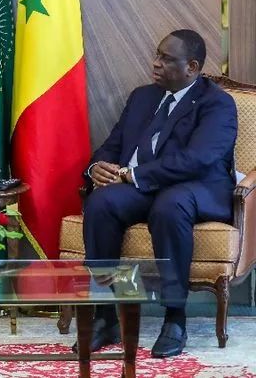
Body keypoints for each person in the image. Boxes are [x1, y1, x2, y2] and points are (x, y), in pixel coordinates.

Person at [77, 29, 237, 358]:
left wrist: (132, 174)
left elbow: (197, 160)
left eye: (166, 59)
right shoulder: (142, 97)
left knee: (170, 205)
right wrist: (96, 169)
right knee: (101, 202)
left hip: (196, 188)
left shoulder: (217, 103)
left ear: (192, 67)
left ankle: (175, 318)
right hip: (143, 186)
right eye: (157, 55)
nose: (156, 63)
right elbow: (113, 145)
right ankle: (105, 316)